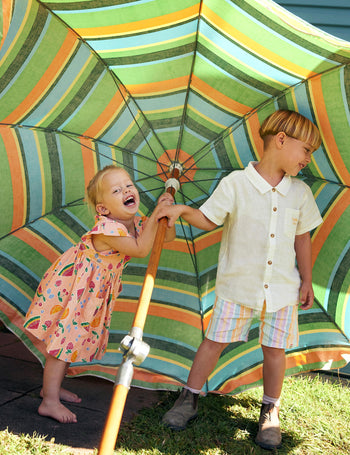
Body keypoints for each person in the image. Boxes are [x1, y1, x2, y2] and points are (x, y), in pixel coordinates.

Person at [158, 110, 323, 450]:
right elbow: (207, 218)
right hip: (237, 285)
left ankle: (270, 409)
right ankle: (189, 398)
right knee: (214, 341)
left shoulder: (301, 194)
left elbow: (302, 239)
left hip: (281, 289)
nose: (309, 158)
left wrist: (306, 280)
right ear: (280, 140)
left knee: (275, 350)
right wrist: (182, 211)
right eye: (306, 149)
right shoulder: (236, 184)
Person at [24, 165, 175, 424]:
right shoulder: (108, 228)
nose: (127, 190)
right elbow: (140, 249)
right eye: (117, 190)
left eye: (129, 185)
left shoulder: (136, 222)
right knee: (63, 344)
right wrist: (157, 213)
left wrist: (166, 215)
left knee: (72, 340)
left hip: (91, 292)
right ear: (103, 208)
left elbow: (165, 237)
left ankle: (52, 388)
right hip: (75, 289)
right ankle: (49, 401)